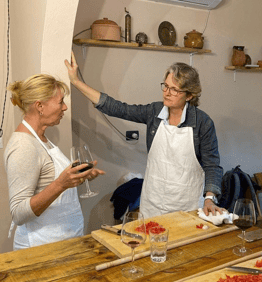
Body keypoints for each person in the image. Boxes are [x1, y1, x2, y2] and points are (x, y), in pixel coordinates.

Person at [65, 52, 223, 217]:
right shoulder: (154, 112)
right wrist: (76, 81)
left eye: (175, 90)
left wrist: (210, 198)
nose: (167, 93)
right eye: (166, 86)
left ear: (189, 95)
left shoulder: (203, 123)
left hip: (186, 203)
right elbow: (117, 108)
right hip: (153, 202)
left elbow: (212, 165)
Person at [4, 74, 105, 250]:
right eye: (60, 102)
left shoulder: (42, 139)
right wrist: (61, 184)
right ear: (40, 106)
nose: (65, 107)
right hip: (41, 247)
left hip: (61, 242)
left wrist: (78, 177)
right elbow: (19, 213)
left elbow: (46, 182)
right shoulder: (23, 146)